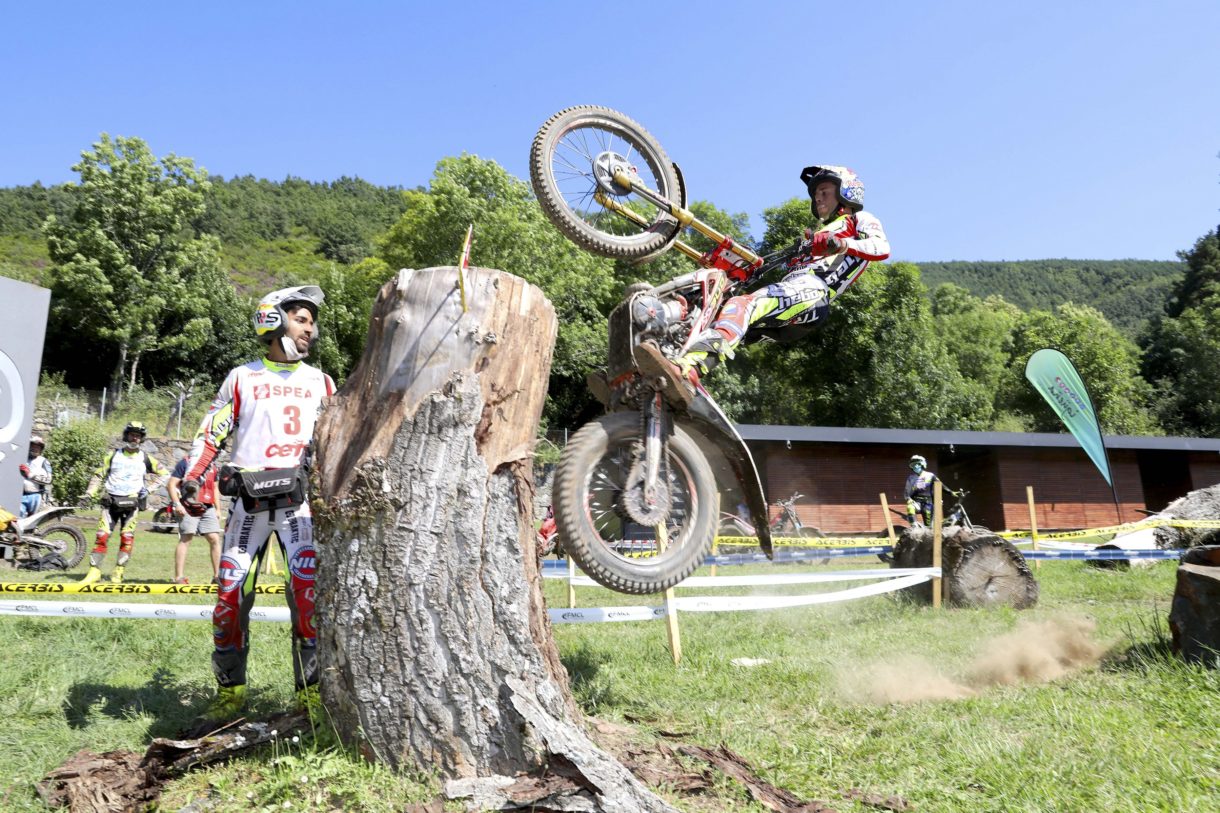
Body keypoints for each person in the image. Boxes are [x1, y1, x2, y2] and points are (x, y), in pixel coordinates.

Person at [181, 286, 335, 720]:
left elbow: (334, 445)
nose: (311, 329)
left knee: (308, 600)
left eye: (311, 321)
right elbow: (211, 433)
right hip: (247, 507)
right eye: (302, 318)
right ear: (273, 318)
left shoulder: (323, 382)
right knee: (229, 597)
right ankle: (230, 695)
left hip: (299, 507)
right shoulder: (241, 376)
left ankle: (310, 698)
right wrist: (194, 479)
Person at [636, 165, 890, 402]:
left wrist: (844, 244)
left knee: (742, 305)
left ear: (846, 192)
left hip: (814, 291)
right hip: (797, 298)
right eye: (816, 195)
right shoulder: (816, 237)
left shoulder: (858, 220)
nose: (818, 198)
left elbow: (881, 246)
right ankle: (650, 362)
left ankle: (689, 368)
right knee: (712, 306)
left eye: (824, 191)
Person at [80, 421, 168, 583]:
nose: (134, 438)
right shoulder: (113, 456)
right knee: (102, 536)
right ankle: (94, 572)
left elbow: (165, 474)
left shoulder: (146, 458)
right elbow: (98, 475)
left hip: (131, 504)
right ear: (126, 435)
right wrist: (88, 494)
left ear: (141, 439)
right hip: (110, 502)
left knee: (127, 537)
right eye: (132, 434)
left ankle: (118, 571)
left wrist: (148, 489)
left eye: (138, 435)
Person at [167, 454, 221, 584]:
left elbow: (215, 488)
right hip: (188, 506)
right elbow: (171, 485)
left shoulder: (213, 465)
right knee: (186, 539)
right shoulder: (186, 462)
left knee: (214, 538)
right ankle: (179, 577)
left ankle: (217, 577)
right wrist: (177, 504)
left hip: (208, 507)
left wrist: (218, 508)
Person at [19, 435, 53, 518]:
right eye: (33, 446)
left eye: (38, 447)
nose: (35, 448)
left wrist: (30, 475)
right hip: (20, 495)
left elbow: (49, 479)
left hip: (36, 495)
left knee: (32, 522)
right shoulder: (22, 458)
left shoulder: (43, 461)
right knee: (19, 518)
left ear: (41, 449)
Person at [904, 455, 940, 527]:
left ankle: (928, 531)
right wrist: (908, 498)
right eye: (913, 465)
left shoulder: (930, 475)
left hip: (928, 502)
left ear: (922, 464)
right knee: (910, 507)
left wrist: (951, 492)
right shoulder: (911, 478)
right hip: (916, 502)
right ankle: (914, 527)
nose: (915, 466)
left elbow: (940, 485)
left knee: (929, 525)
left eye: (917, 464)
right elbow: (906, 491)